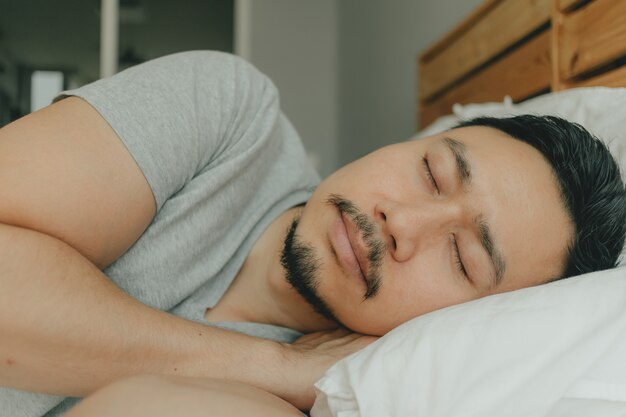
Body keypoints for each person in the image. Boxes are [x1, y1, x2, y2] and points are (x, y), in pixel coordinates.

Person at [0, 51, 624, 417]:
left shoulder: (307, 405)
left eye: (461, 259)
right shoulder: (230, 115)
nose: (401, 224)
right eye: (431, 172)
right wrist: (275, 365)